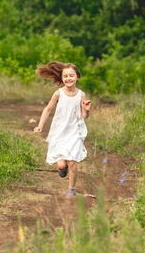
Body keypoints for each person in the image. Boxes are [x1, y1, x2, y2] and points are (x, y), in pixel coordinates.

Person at [33, 61, 91, 199]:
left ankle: (71, 190)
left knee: (72, 161)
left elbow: (84, 116)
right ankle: (62, 168)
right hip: (60, 131)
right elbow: (48, 109)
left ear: (77, 76)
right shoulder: (58, 93)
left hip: (75, 131)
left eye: (71, 75)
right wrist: (40, 125)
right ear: (62, 78)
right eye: (65, 76)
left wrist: (87, 111)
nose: (68, 78)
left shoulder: (81, 95)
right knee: (61, 164)